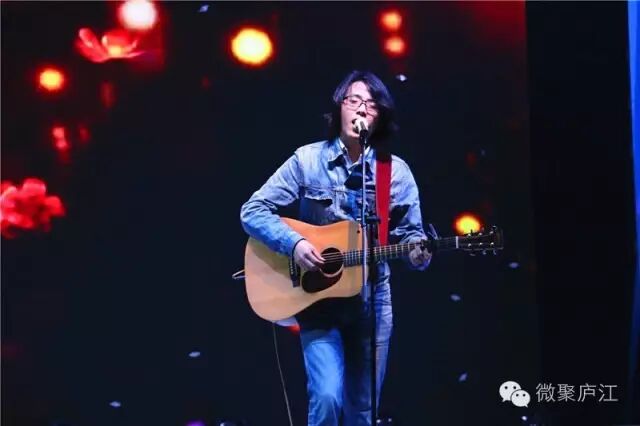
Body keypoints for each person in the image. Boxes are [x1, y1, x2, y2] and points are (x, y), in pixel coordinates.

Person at [240, 70, 431, 426]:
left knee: (363, 410)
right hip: (318, 302)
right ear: (340, 107)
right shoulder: (307, 160)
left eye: (371, 104)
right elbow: (253, 210)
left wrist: (418, 253)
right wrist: (295, 243)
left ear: (380, 116)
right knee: (327, 397)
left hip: (373, 302)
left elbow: (411, 235)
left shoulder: (395, 172)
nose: (361, 109)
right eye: (353, 100)